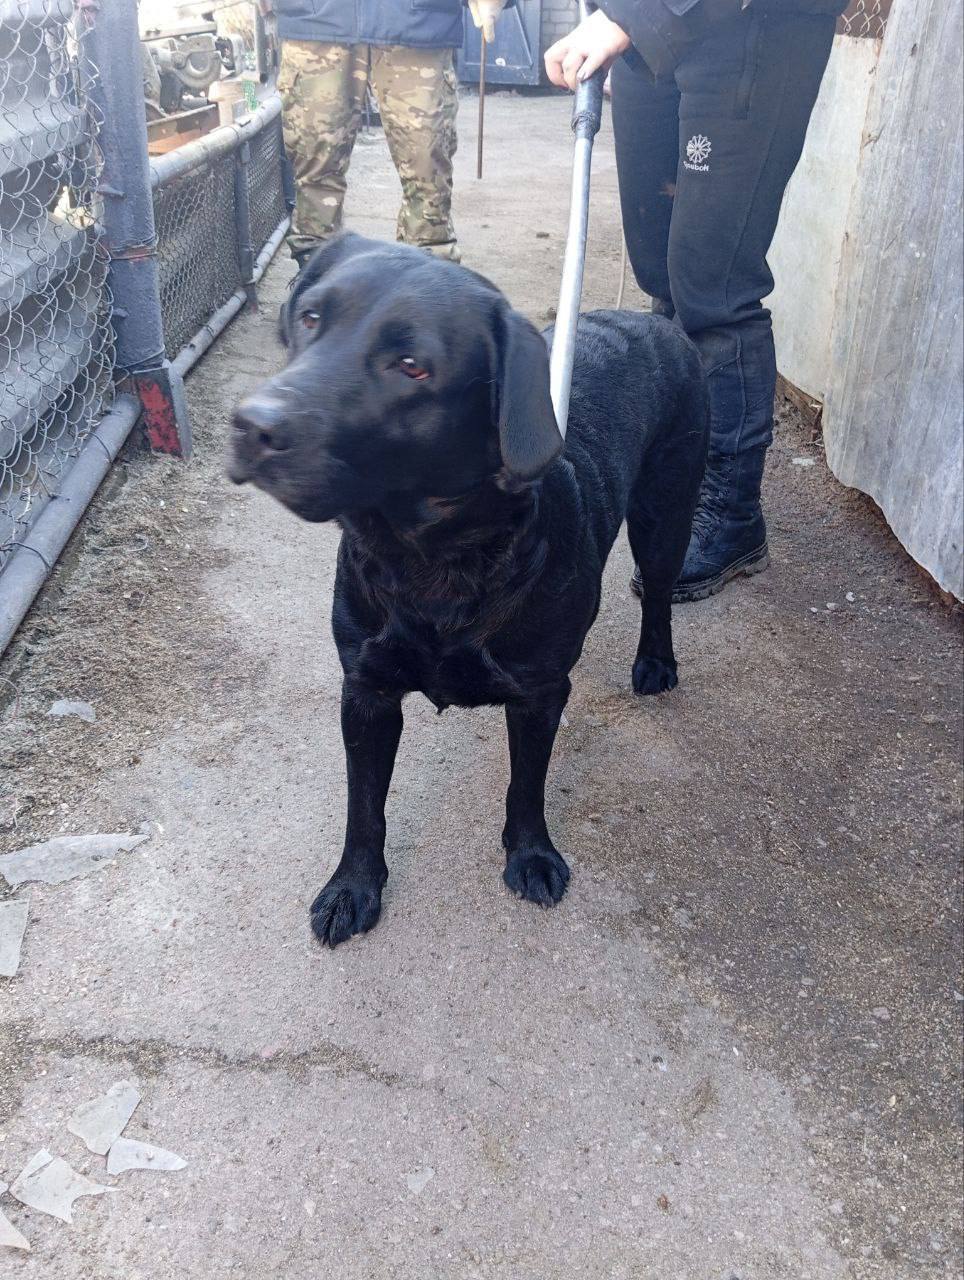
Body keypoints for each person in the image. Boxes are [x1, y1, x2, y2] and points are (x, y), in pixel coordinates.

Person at [545, 0, 846, 602]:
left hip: (750, 28)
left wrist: (634, 13)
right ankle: (677, 468)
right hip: (648, 35)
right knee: (660, 266)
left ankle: (731, 515)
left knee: (714, 284)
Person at [273, 0, 506, 268]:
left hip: (417, 23)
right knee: (313, 165)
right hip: (316, 20)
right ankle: (315, 279)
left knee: (427, 171)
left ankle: (426, 282)